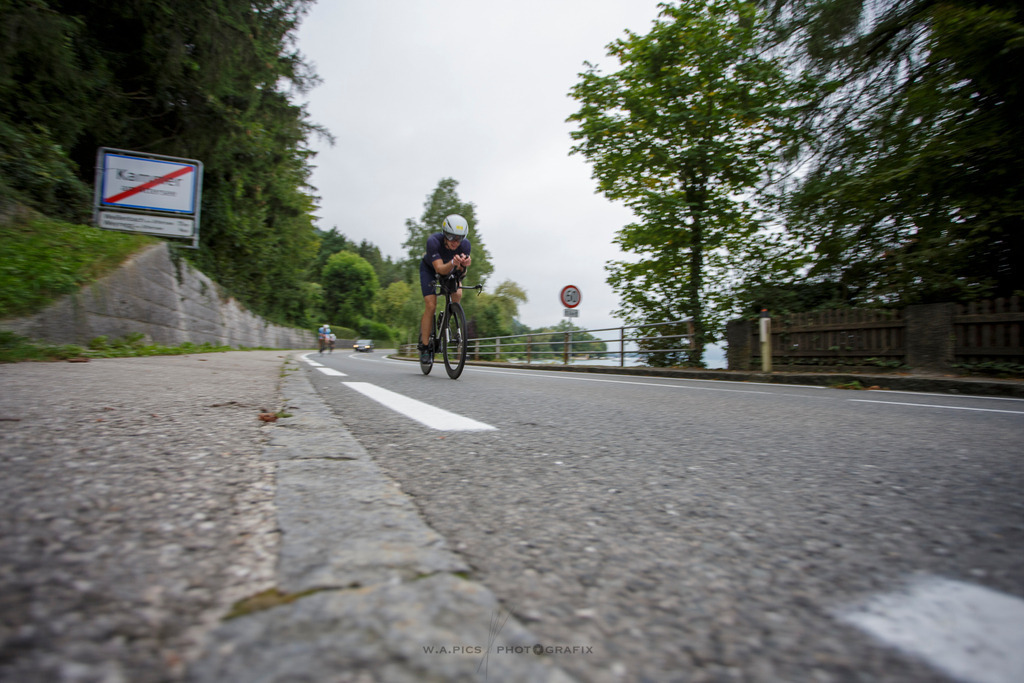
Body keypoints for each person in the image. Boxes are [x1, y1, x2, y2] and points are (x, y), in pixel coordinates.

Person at [419, 214, 472, 364]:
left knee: (458, 294)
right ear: (444, 234)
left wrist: (464, 265)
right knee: (431, 305)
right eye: (451, 237)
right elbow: (440, 269)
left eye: (459, 238)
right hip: (430, 269)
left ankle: (448, 317)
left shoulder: (465, 245)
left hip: (451, 268)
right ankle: (424, 348)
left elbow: (461, 273)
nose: (456, 242)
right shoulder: (433, 242)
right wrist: (453, 263)